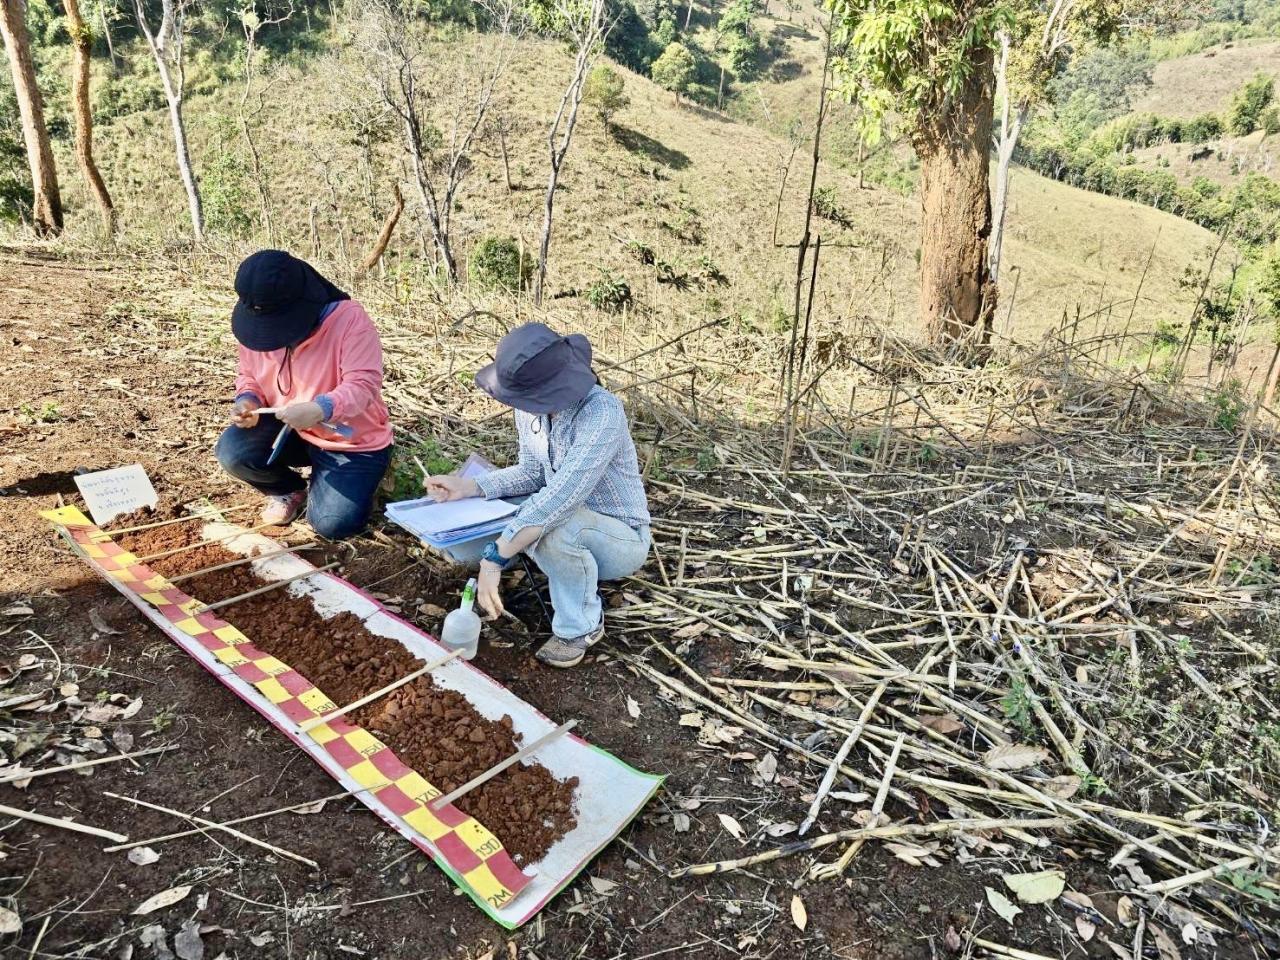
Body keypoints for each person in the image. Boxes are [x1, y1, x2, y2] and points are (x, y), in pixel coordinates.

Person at [427, 323, 651, 668]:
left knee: (553, 527)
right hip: (563, 514)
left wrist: (495, 558)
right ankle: (521, 553)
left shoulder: (601, 412)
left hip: (618, 537)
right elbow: (532, 473)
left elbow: (561, 499)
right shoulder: (530, 408)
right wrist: (469, 486)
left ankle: (580, 627)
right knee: (509, 518)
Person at [215, 250, 393, 539]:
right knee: (233, 452)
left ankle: (361, 482)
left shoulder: (349, 320)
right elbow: (249, 374)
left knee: (332, 524)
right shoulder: (257, 317)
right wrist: (248, 400)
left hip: (348, 439)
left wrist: (321, 408)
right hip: (290, 429)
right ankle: (289, 489)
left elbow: (364, 385)